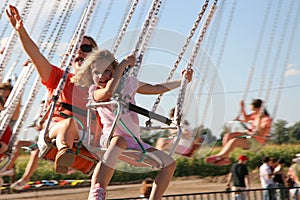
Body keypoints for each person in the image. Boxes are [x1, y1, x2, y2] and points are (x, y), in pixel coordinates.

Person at [71, 49, 194, 200]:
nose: (102, 76)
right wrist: (123, 65)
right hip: (110, 139)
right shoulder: (95, 91)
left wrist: (182, 82)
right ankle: (97, 190)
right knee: (119, 141)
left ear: (114, 70)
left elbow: (156, 88)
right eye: (97, 72)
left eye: (107, 71)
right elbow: (109, 92)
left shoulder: (129, 83)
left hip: (134, 142)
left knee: (169, 164)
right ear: (91, 74)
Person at [6, 5, 99, 175]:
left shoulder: (101, 86)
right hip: (54, 132)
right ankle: (64, 152)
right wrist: (20, 30)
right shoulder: (58, 77)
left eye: (86, 48)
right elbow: (36, 56)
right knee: (71, 123)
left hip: (87, 136)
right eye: (76, 47)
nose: (80, 51)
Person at [206, 99, 272, 165]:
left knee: (234, 141)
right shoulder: (256, 115)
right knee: (228, 136)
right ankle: (226, 158)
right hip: (248, 136)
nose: (253, 112)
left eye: (254, 110)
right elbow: (246, 118)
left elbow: (260, 133)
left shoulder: (266, 119)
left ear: (260, 109)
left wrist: (259, 119)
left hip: (256, 142)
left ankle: (220, 155)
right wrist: (242, 108)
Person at [0, 80, 21, 156]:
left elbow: (17, 103)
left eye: (7, 98)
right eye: (2, 97)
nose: (4, 100)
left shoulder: (8, 118)